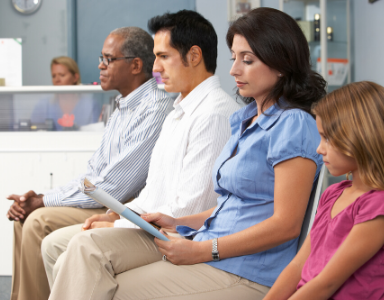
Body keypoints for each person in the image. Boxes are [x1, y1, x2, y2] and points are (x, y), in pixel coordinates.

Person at [48, 8, 326, 300]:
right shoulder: (246, 119)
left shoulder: (292, 123)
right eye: (234, 59)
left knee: (108, 288)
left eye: (248, 60)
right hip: (212, 249)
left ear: (281, 63)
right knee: (91, 270)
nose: (234, 70)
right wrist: (178, 221)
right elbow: (229, 208)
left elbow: (286, 225)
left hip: (246, 271)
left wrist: (203, 249)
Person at [42, 8, 239, 292]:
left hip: (176, 236)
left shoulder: (214, 114)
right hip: (151, 228)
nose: (155, 68)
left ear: (194, 56)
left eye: (163, 56)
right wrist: (115, 217)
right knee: (54, 246)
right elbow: (152, 192)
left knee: (83, 247)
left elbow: (189, 210)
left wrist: (118, 227)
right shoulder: (178, 111)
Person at [6, 27, 172, 300]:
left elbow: (113, 188)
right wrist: (42, 197)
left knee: (37, 221)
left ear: (136, 65)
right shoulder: (122, 106)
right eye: (101, 58)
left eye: (108, 59)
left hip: (123, 210)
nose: (100, 65)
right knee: (24, 218)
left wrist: (44, 202)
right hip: (106, 201)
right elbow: (93, 174)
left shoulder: (154, 108)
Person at [264, 81, 384, 300]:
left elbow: (327, 283)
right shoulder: (333, 194)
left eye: (327, 138)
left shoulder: (381, 207)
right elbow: (299, 265)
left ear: (362, 138)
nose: (319, 149)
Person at [31, 56, 101, 130]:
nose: (57, 80)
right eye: (53, 76)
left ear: (75, 78)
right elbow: (32, 130)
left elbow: (96, 133)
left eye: (62, 75)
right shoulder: (43, 105)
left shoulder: (90, 105)